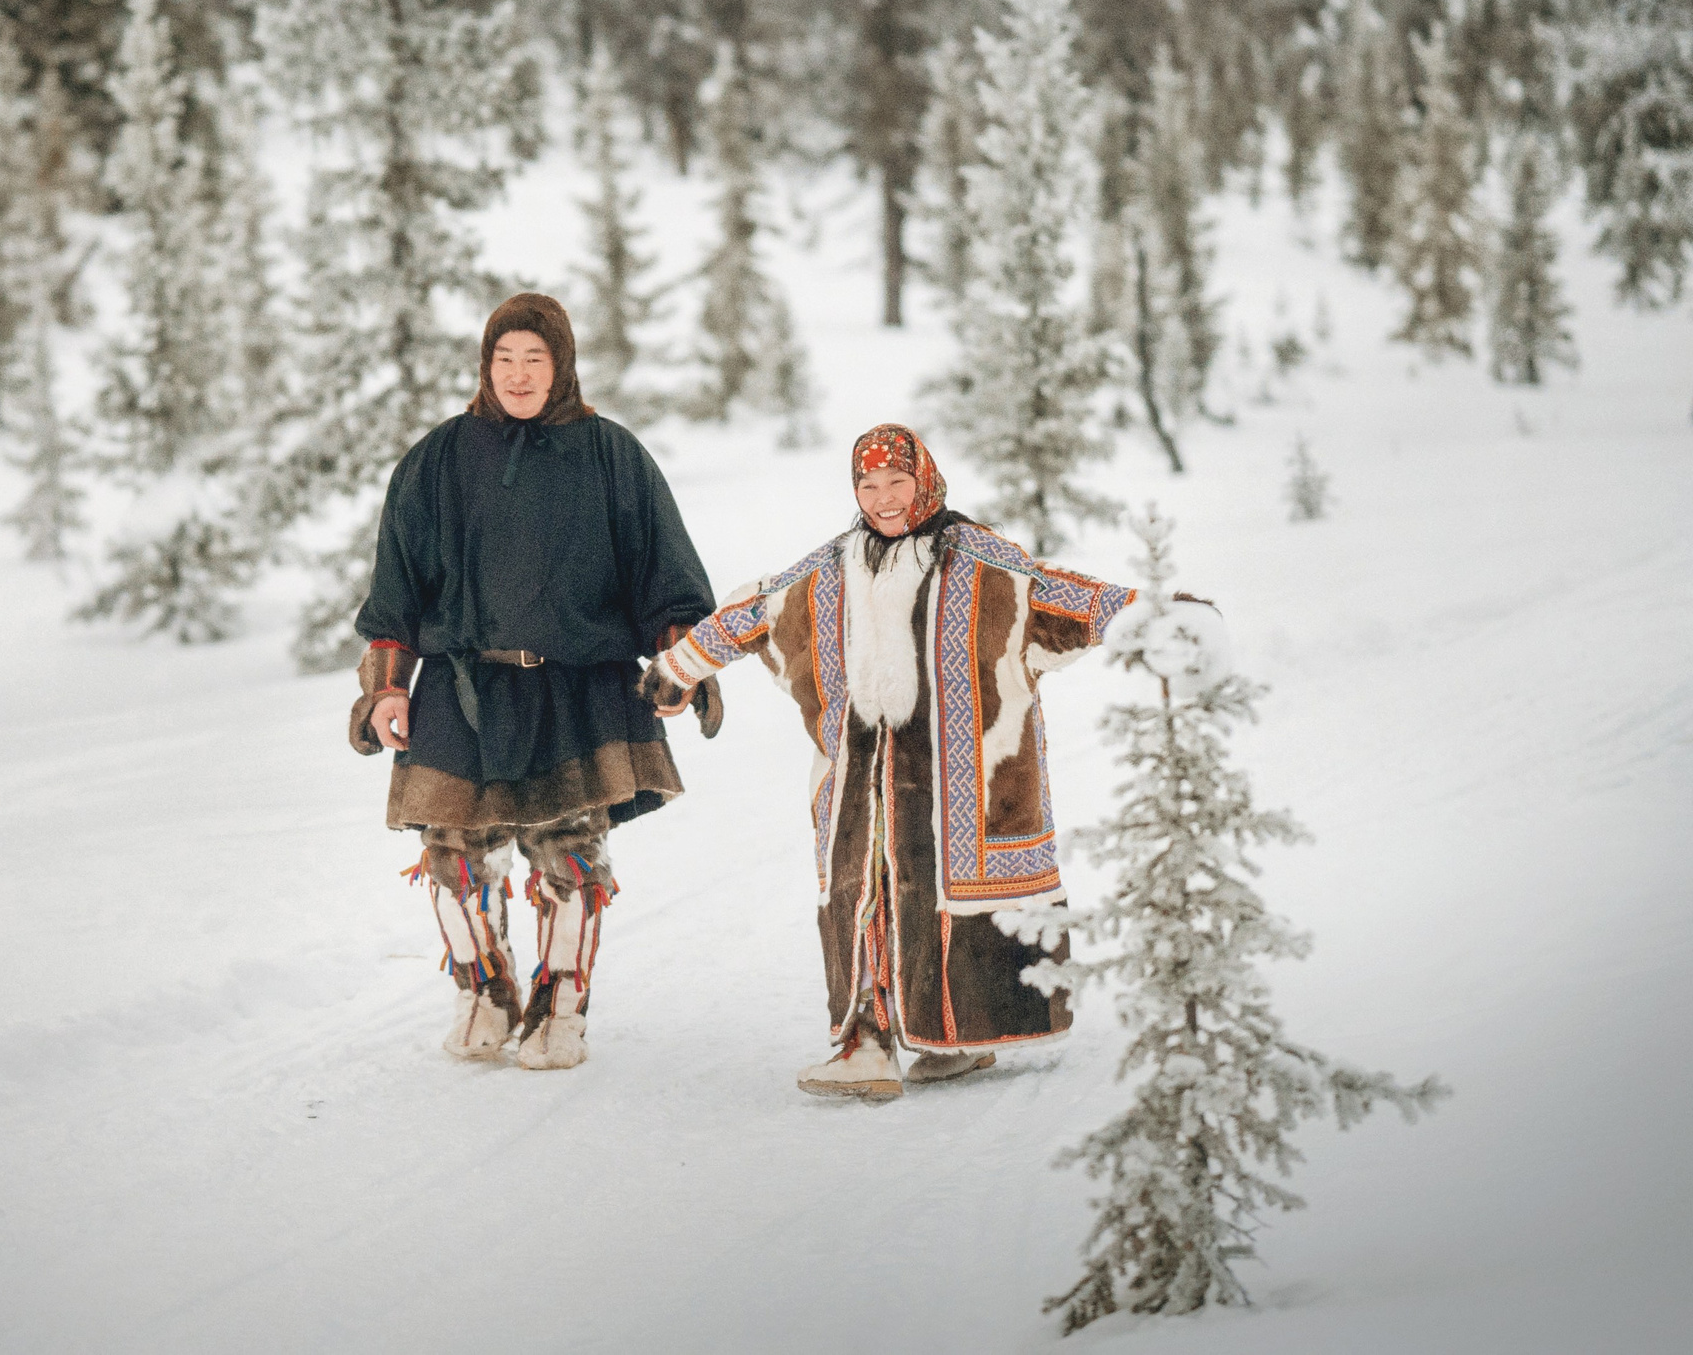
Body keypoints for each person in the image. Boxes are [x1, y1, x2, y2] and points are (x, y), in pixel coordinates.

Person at [640, 424, 1136, 1101]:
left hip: (964, 781)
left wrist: (1163, 621)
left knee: (934, 899)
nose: (883, 499)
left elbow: (1073, 597)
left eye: (897, 482)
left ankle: (950, 1039)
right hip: (858, 778)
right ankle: (866, 1044)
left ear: (924, 480)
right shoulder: (832, 566)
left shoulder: (986, 562)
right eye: (868, 486)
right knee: (865, 892)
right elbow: (754, 613)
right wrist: (679, 668)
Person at [348, 294, 717, 1070]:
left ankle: (561, 1008)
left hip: (575, 685)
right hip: (461, 685)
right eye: (504, 360)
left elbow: (668, 579)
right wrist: (386, 689)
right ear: (485, 366)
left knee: (568, 855)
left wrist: (682, 663)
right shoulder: (437, 460)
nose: (518, 376)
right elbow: (396, 595)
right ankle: (484, 989)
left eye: (535, 360)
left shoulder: (612, 456)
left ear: (562, 365)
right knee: (450, 856)